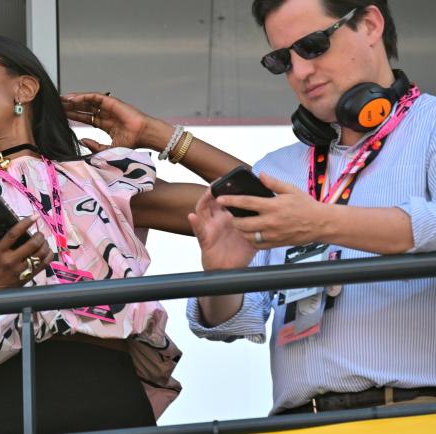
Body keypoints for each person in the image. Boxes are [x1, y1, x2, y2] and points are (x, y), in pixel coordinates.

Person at [0, 34, 244, 433]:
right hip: (7, 408)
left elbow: (258, 206)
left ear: (25, 88)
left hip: (114, 397)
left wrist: (153, 133)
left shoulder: (104, 180)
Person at [186, 0, 436, 415]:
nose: (300, 71)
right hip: (296, 420)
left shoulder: (430, 126)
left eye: (313, 45)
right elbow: (232, 321)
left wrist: (322, 222)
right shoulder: (276, 169)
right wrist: (223, 276)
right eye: (282, 60)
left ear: (370, 24)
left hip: (415, 413)